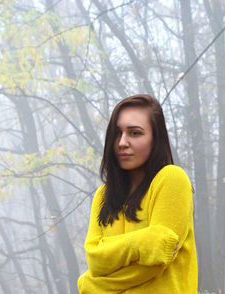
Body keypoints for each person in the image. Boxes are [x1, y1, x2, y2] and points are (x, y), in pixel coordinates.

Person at [78, 94, 198, 293]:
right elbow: (95, 258)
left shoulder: (172, 179)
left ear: (155, 139)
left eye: (135, 133)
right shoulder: (103, 196)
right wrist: (146, 242)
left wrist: (90, 285)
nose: (122, 142)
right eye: (117, 133)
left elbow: (155, 264)